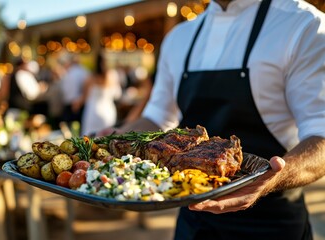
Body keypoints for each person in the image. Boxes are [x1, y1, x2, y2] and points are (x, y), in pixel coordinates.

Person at [98, 0, 325, 239]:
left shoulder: (304, 25)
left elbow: (321, 134)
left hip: (270, 223)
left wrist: (268, 180)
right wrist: (114, 138)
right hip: (193, 221)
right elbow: (157, 118)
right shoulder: (179, 38)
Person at [78, 53, 122, 136]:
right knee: (107, 138)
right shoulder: (113, 75)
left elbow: (85, 97)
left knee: (89, 139)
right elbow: (117, 94)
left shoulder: (90, 77)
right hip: (108, 111)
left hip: (93, 111)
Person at [59, 53, 90, 127]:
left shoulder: (74, 73)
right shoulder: (83, 71)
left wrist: (77, 101)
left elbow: (72, 91)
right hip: (77, 104)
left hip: (75, 105)